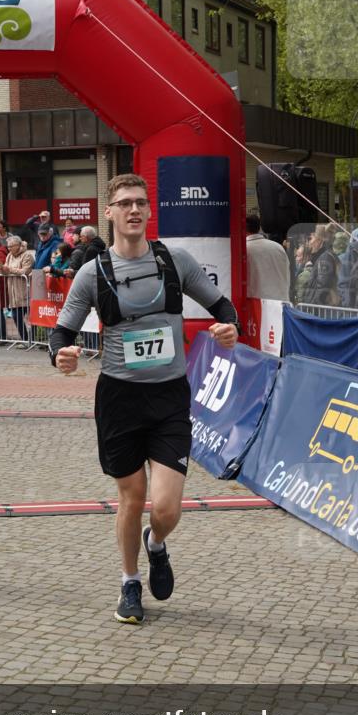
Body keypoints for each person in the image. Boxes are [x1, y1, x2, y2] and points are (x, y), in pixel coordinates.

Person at [49, 174, 240, 625]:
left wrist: (230, 328)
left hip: (169, 397)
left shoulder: (175, 261)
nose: (133, 210)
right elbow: (61, 333)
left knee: (167, 507)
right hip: (120, 399)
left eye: (140, 202)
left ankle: (156, 543)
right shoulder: (93, 273)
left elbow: (222, 307)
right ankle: (130, 582)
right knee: (132, 497)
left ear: (150, 210)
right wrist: (61, 355)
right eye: (124, 203)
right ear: (109, 212)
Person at [245, 214, 290, 301]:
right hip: (281, 301)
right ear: (259, 227)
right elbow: (287, 273)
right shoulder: (278, 247)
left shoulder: (244, 250)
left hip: (258, 303)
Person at [0, 234, 33, 345]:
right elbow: (5, 272)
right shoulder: (9, 255)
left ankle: (33, 340)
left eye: (11, 246)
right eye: (8, 246)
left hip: (25, 290)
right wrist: (1, 269)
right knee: (15, 316)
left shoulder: (27, 255)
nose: (9, 248)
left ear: (18, 245)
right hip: (13, 291)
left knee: (31, 318)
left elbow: (25, 271)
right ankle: (25, 339)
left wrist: (9, 269)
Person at [301, 224, 340, 305]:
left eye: (310, 238)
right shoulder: (323, 256)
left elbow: (322, 287)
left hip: (323, 309)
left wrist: (312, 306)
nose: (309, 243)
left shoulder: (325, 258)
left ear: (319, 240)